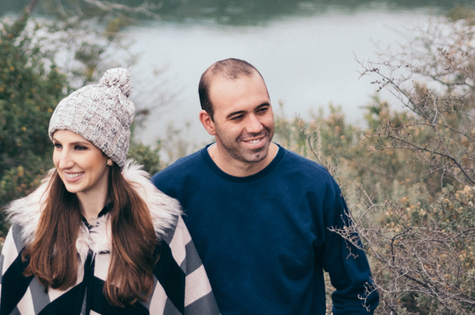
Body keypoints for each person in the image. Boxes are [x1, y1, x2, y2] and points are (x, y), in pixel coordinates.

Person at [0, 68, 221, 315]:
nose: (63, 162)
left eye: (79, 147)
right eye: (58, 145)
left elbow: (199, 308)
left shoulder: (158, 231)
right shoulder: (29, 231)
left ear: (109, 155)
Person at [152, 59, 378, 315]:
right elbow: (137, 292)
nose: (255, 126)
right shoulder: (167, 193)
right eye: (238, 116)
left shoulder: (314, 186)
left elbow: (358, 291)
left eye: (262, 110)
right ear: (208, 122)